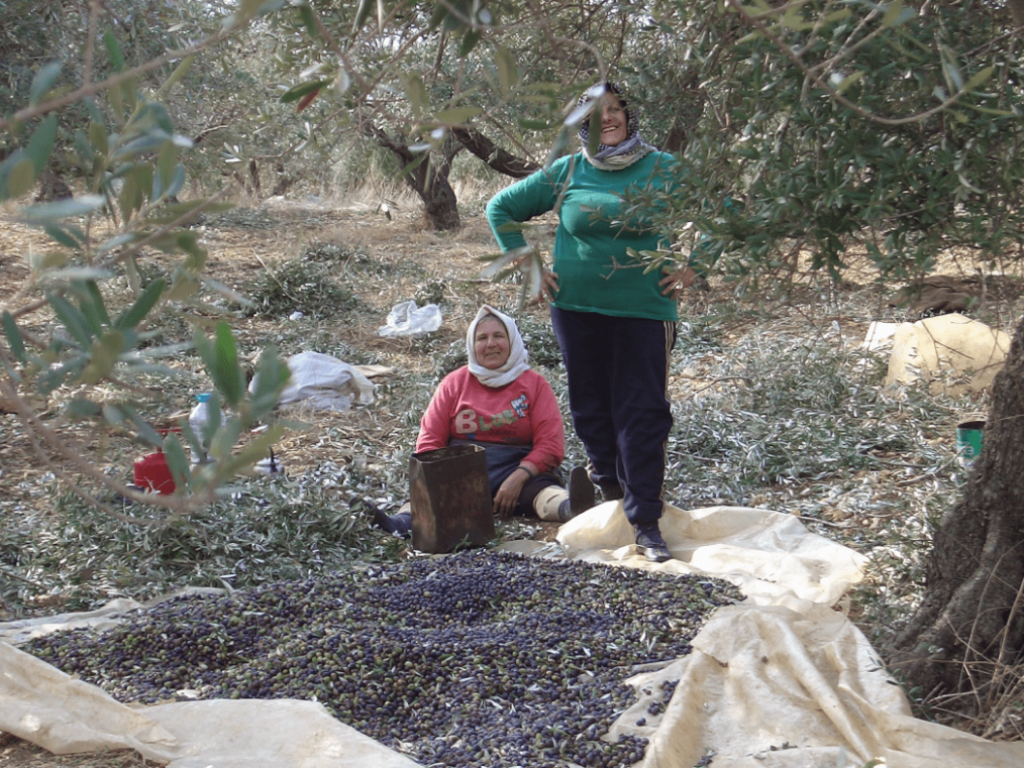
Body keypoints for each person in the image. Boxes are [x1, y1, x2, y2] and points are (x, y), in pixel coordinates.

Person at [485, 81, 699, 563]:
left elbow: (722, 210)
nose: (610, 119)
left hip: (644, 310)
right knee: (590, 409)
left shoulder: (664, 168)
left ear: (630, 115)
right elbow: (501, 210)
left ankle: (645, 520)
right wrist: (531, 265)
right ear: (584, 126)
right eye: (598, 114)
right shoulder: (570, 170)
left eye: (617, 110)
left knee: (641, 413)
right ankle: (610, 498)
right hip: (576, 311)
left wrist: (696, 266)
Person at [373, 305, 594, 535]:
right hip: (459, 469)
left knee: (543, 492)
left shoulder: (534, 385)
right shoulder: (454, 384)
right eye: (482, 338)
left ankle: (570, 507)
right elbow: (429, 441)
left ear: (512, 341)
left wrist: (518, 477)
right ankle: (398, 523)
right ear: (472, 344)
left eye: (499, 336)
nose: (490, 344)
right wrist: (447, 480)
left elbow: (550, 444)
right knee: (428, 497)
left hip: (517, 470)